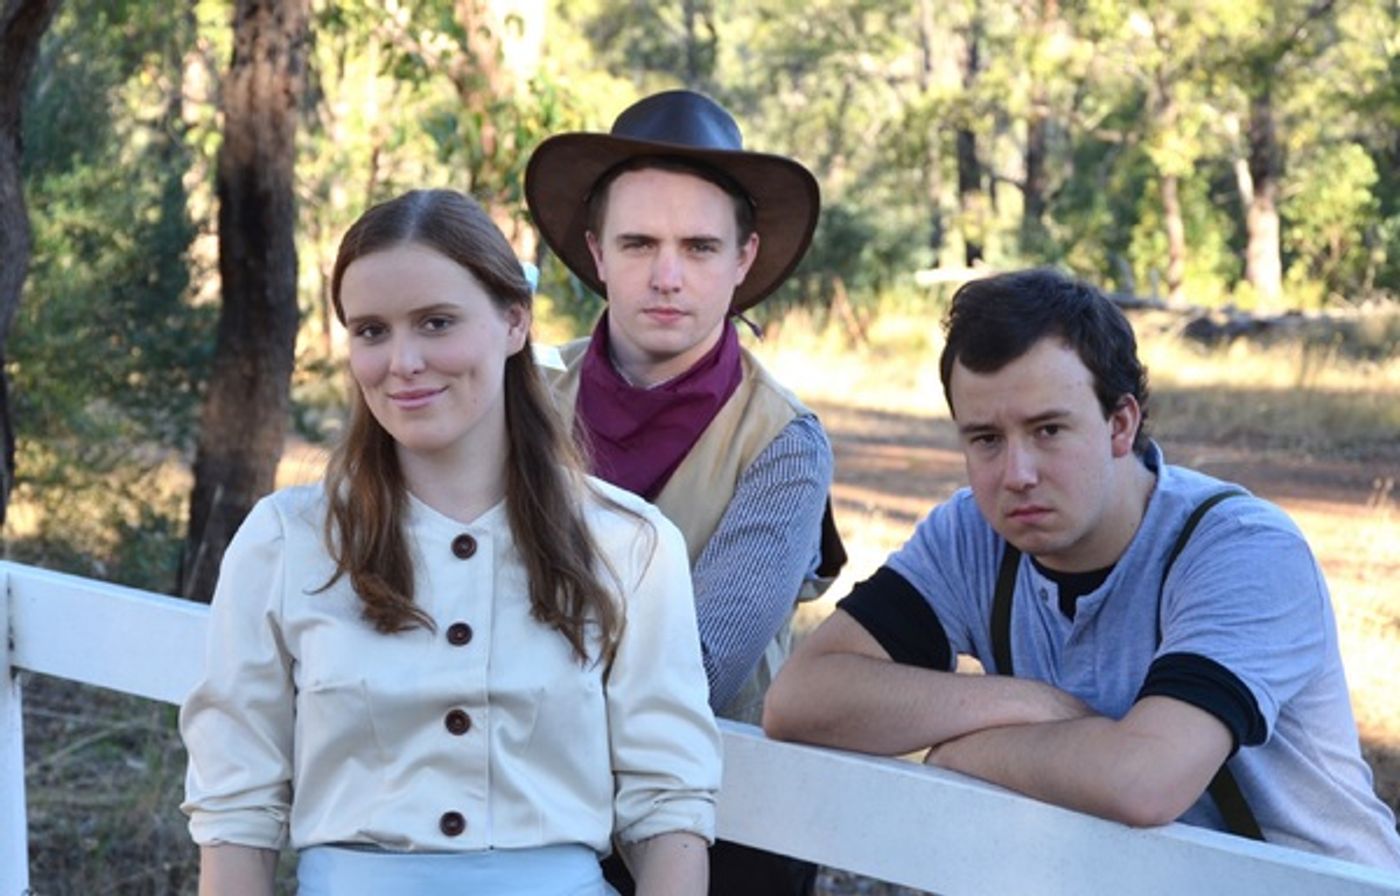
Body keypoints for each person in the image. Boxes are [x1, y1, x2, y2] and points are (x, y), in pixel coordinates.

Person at [179, 189, 723, 895]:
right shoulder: (287, 542)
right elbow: (236, 808)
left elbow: (669, 802)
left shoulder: (629, 545)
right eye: (371, 331)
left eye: (436, 323)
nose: (402, 361)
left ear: (513, 322)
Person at [763, 268, 1400, 870]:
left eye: (1048, 430)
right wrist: (1029, 702)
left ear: (1120, 423)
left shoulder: (1241, 550)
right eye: (985, 439)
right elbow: (800, 699)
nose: (1017, 475)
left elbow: (1144, 781)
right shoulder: (971, 535)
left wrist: (966, 751)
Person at [524, 89, 845, 895]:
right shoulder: (520, 399)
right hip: (520, 812)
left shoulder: (783, 444)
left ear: (743, 260)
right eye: (639, 243)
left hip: (726, 819)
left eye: (700, 247)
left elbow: (692, 670)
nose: (667, 277)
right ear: (597, 253)